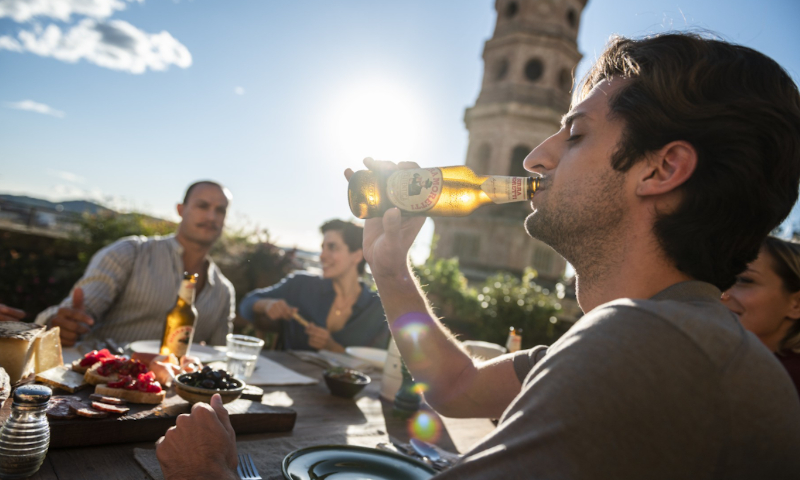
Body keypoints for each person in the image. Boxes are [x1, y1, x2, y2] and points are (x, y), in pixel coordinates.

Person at [155, 33, 800, 479]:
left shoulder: (643, 345)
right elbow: (456, 387)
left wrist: (211, 470)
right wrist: (388, 262)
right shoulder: (672, 332)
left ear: (663, 168)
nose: (535, 157)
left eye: (575, 135)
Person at [35, 181, 236, 347]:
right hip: (99, 381)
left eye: (220, 210)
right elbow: (75, 314)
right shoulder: (131, 252)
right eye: (202, 206)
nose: (211, 217)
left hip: (172, 393)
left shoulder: (224, 291)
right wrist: (61, 324)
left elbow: (219, 355)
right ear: (180, 210)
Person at [238, 219, 388, 352]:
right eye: (323, 247)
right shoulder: (300, 285)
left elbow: (379, 362)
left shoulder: (377, 308)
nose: (322, 255)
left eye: (332, 247)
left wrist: (333, 348)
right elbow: (246, 304)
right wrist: (266, 304)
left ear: (357, 255)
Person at [722, 236, 800, 398]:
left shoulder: (783, 382)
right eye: (722, 280)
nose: (722, 295)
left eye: (744, 280)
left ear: (796, 304)